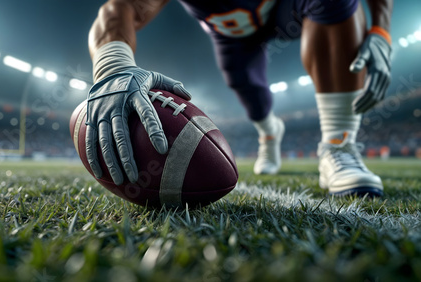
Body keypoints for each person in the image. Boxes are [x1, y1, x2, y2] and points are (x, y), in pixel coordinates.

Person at [85, 0, 392, 197]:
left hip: (288, 7)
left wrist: (381, 29)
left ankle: (338, 146)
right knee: (254, 99)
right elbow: (120, 8)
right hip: (233, 35)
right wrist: (113, 65)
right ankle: (270, 132)